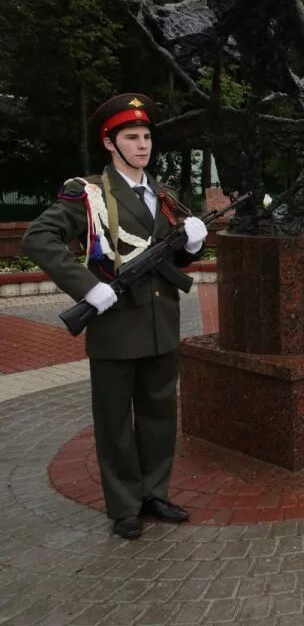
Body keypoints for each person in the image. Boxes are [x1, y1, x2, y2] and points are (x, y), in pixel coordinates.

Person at [22, 94, 207, 540]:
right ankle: (125, 504)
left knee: (159, 414)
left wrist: (192, 245)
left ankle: (154, 492)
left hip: (161, 323)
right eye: (131, 137)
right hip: (115, 326)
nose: (142, 145)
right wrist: (87, 287)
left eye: (146, 137)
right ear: (110, 143)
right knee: (115, 419)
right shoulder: (87, 194)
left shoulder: (162, 195)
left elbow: (170, 259)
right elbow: (38, 237)